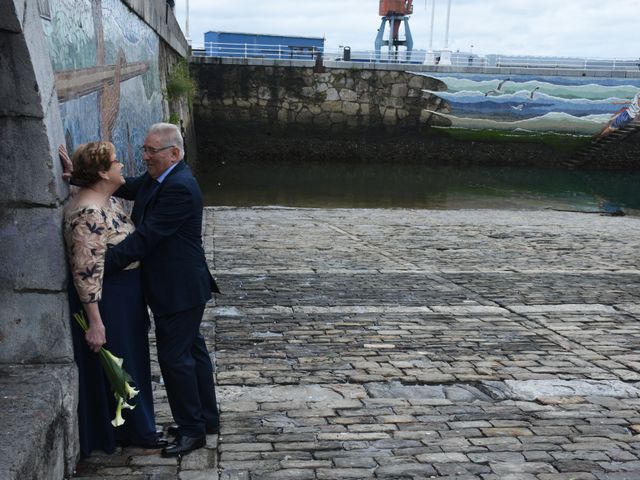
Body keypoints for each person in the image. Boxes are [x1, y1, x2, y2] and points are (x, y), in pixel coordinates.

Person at [103, 123, 220, 457]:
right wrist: (82, 177)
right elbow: (128, 187)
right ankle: (207, 420)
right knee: (193, 353)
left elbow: (145, 239)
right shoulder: (161, 177)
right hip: (178, 287)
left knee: (175, 359)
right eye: (144, 149)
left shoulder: (179, 187)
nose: (145, 157)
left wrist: (101, 264)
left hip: (179, 290)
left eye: (151, 151)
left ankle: (192, 431)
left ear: (174, 153)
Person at [61, 141, 166, 457]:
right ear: (103, 172)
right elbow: (85, 270)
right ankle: (136, 431)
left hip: (125, 295)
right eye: (116, 161)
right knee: (119, 364)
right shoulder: (88, 211)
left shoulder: (107, 199)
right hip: (109, 299)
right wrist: (95, 321)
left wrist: (74, 175)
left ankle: (135, 428)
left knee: (130, 360)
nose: (122, 165)